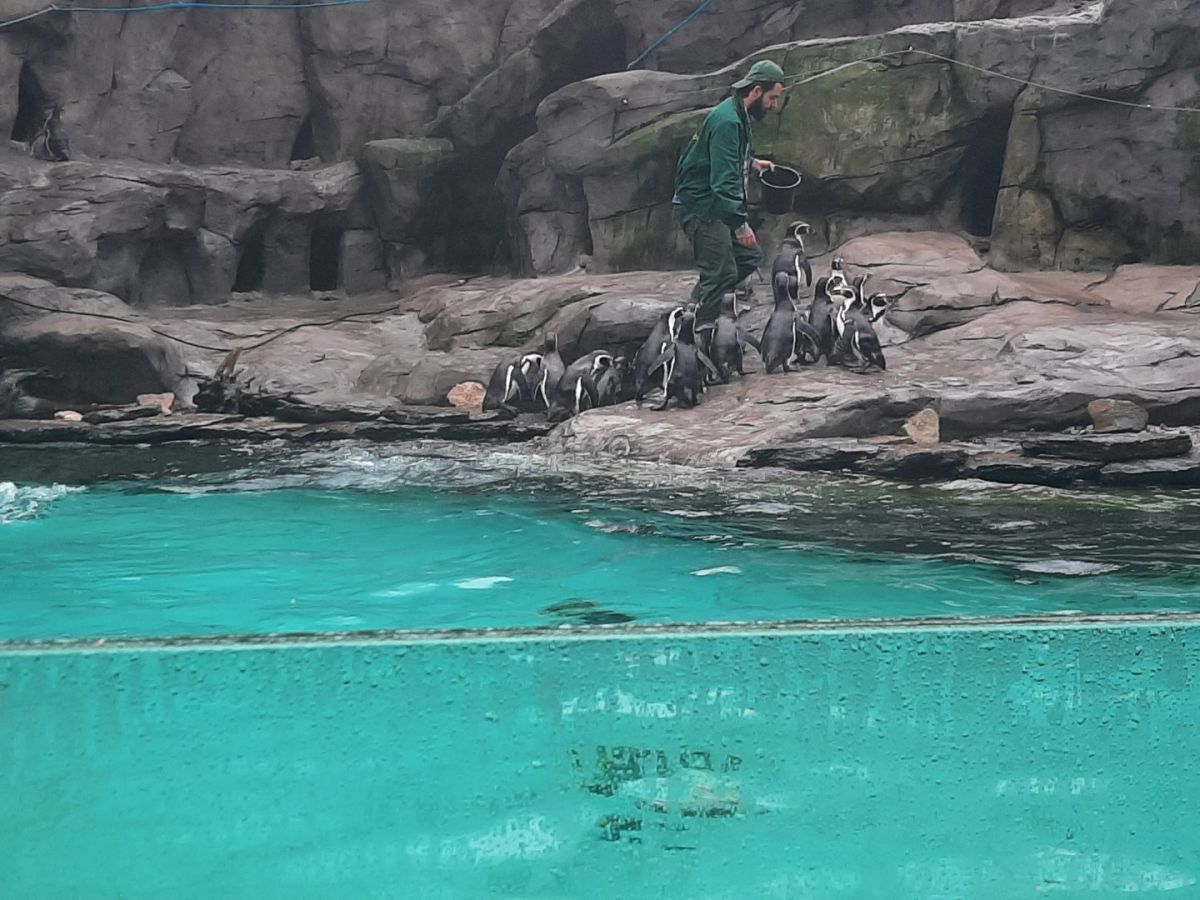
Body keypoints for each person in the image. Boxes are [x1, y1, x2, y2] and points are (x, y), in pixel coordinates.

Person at [673, 59, 786, 322]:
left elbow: (722, 157)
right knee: (721, 273)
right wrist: (740, 224)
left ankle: (697, 304)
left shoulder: (737, 114)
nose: (774, 105)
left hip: (715, 204)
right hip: (702, 207)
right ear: (756, 90)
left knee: (749, 256)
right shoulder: (728, 121)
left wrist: (752, 163)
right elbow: (722, 183)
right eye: (772, 98)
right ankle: (698, 330)